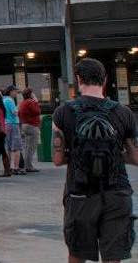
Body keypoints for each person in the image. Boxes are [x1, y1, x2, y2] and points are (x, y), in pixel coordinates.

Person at [53, 58, 138, 263]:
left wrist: (76, 154)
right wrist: (115, 155)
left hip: (80, 193)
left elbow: (57, 159)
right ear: (105, 80)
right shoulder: (124, 113)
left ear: (79, 79)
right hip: (117, 193)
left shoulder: (63, 112)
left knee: (76, 255)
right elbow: (136, 157)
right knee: (113, 257)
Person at [19, 87, 42, 173]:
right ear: (30, 94)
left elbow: (19, 113)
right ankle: (29, 166)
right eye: (33, 93)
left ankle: (26, 164)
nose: (34, 94)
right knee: (31, 147)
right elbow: (37, 111)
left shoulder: (23, 103)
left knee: (27, 147)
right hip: (32, 126)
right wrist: (36, 101)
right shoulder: (30, 102)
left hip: (25, 125)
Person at [3, 85, 24, 175]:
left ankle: (10, 167)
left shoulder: (3, 100)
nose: (16, 93)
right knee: (17, 147)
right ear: (11, 91)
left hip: (6, 124)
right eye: (15, 91)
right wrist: (18, 107)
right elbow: (14, 112)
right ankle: (16, 168)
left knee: (9, 147)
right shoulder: (10, 100)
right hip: (13, 124)